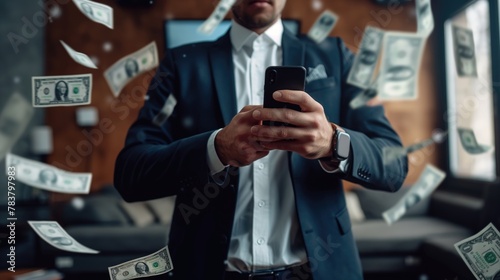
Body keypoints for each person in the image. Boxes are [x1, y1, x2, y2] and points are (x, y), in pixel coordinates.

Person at [114, 0, 408, 279]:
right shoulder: (181, 64)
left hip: (320, 271)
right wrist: (216, 149)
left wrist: (334, 142)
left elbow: (394, 164)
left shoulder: (337, 56)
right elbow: (130, 172)